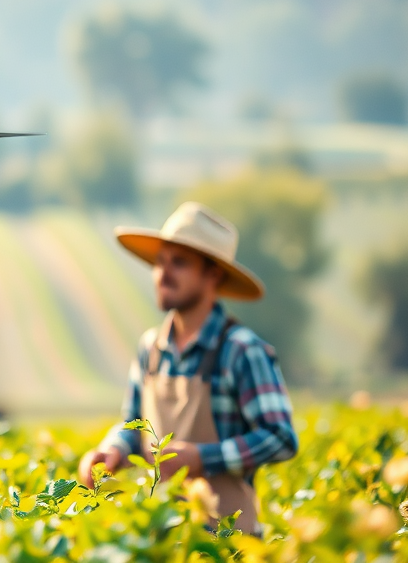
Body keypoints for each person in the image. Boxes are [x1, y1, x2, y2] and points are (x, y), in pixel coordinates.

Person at [78, 201, 298, 535]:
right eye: (160, 262)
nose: (163, 273)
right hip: (161, 535)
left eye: (179, 262)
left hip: (229, 541)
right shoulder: (150, 348)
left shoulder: (242, 351)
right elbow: (132, 422)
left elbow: (280, 437)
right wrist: (112, 450)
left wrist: (203, 457)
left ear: (213, 275)